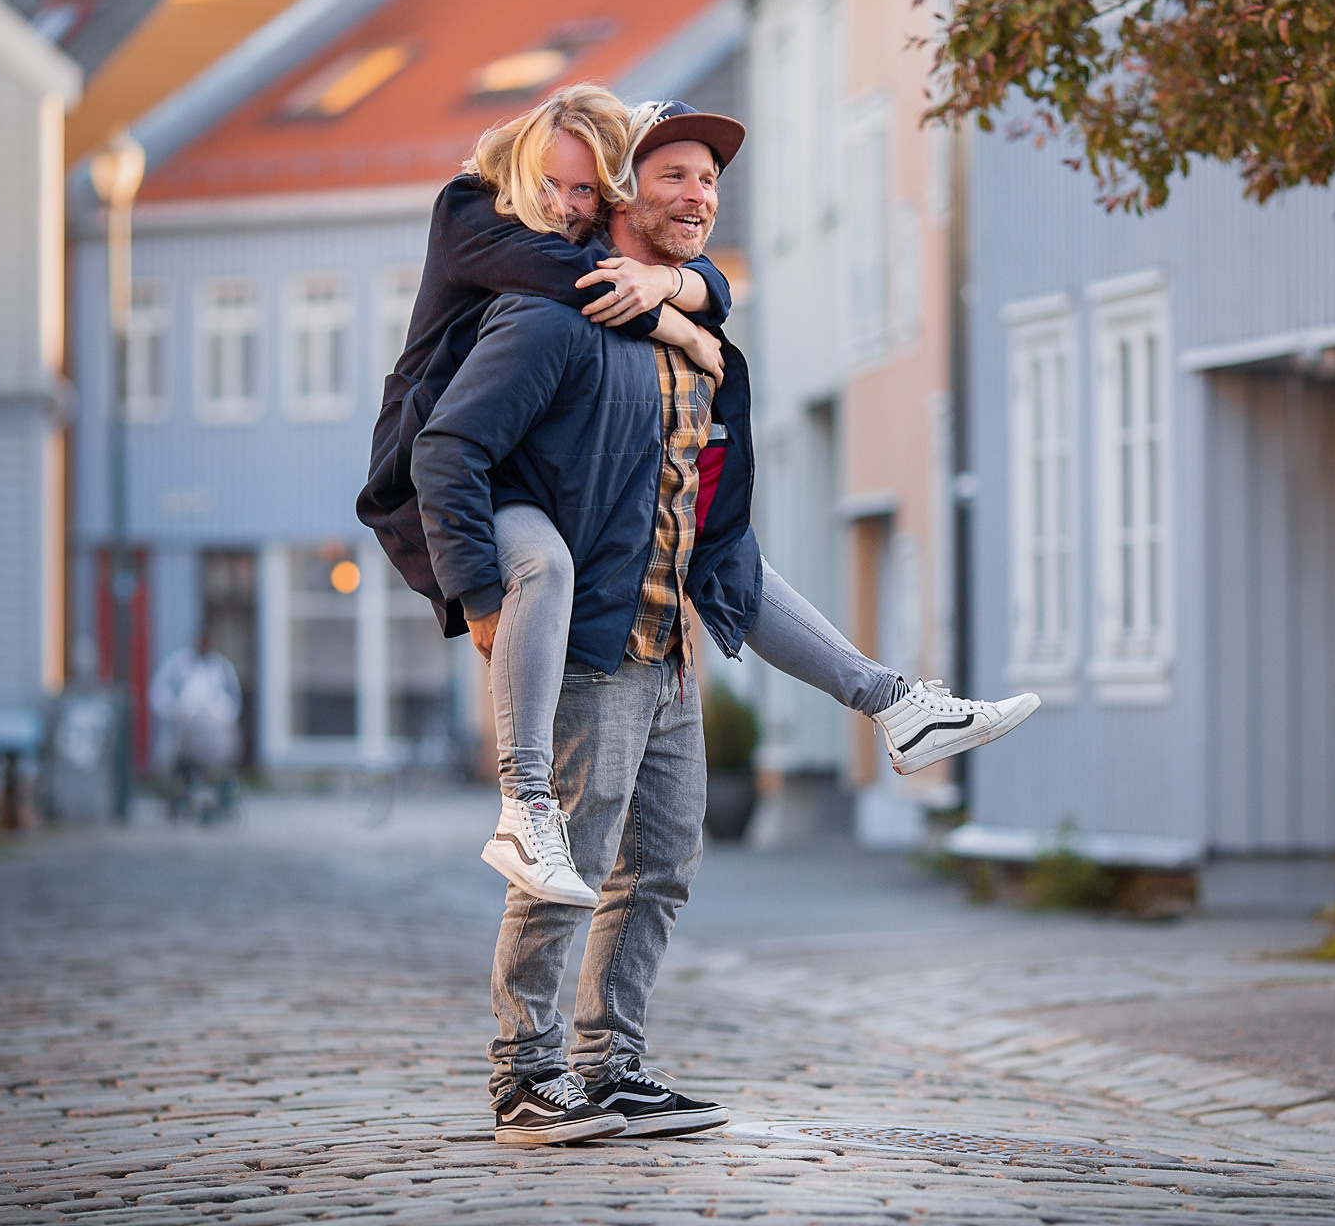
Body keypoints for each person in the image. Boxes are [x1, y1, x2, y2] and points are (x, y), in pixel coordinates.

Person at [413, 87, 1039, 912]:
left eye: (709, 180)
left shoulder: (642, 290)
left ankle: (893, 702)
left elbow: (693, 294)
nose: (700, 194)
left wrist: (683, 296)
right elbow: (451, 445)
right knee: (575, 867)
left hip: (660, 623)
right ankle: (527, 1011)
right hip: (521, 545)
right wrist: (481, 595)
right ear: (624, 191)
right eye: (672, 174)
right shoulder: (502, 245)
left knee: (658, 873)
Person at [147, 637, 241, 823]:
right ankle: (180, 801)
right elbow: (158, 693)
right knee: (180, 765)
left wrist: (221, 719)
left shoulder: (221, 667)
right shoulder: (179, 665)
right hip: (185, 735)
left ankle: (214, 800)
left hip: (216, 738)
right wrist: (174, 711)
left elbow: (234, 701)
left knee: (220, 769)